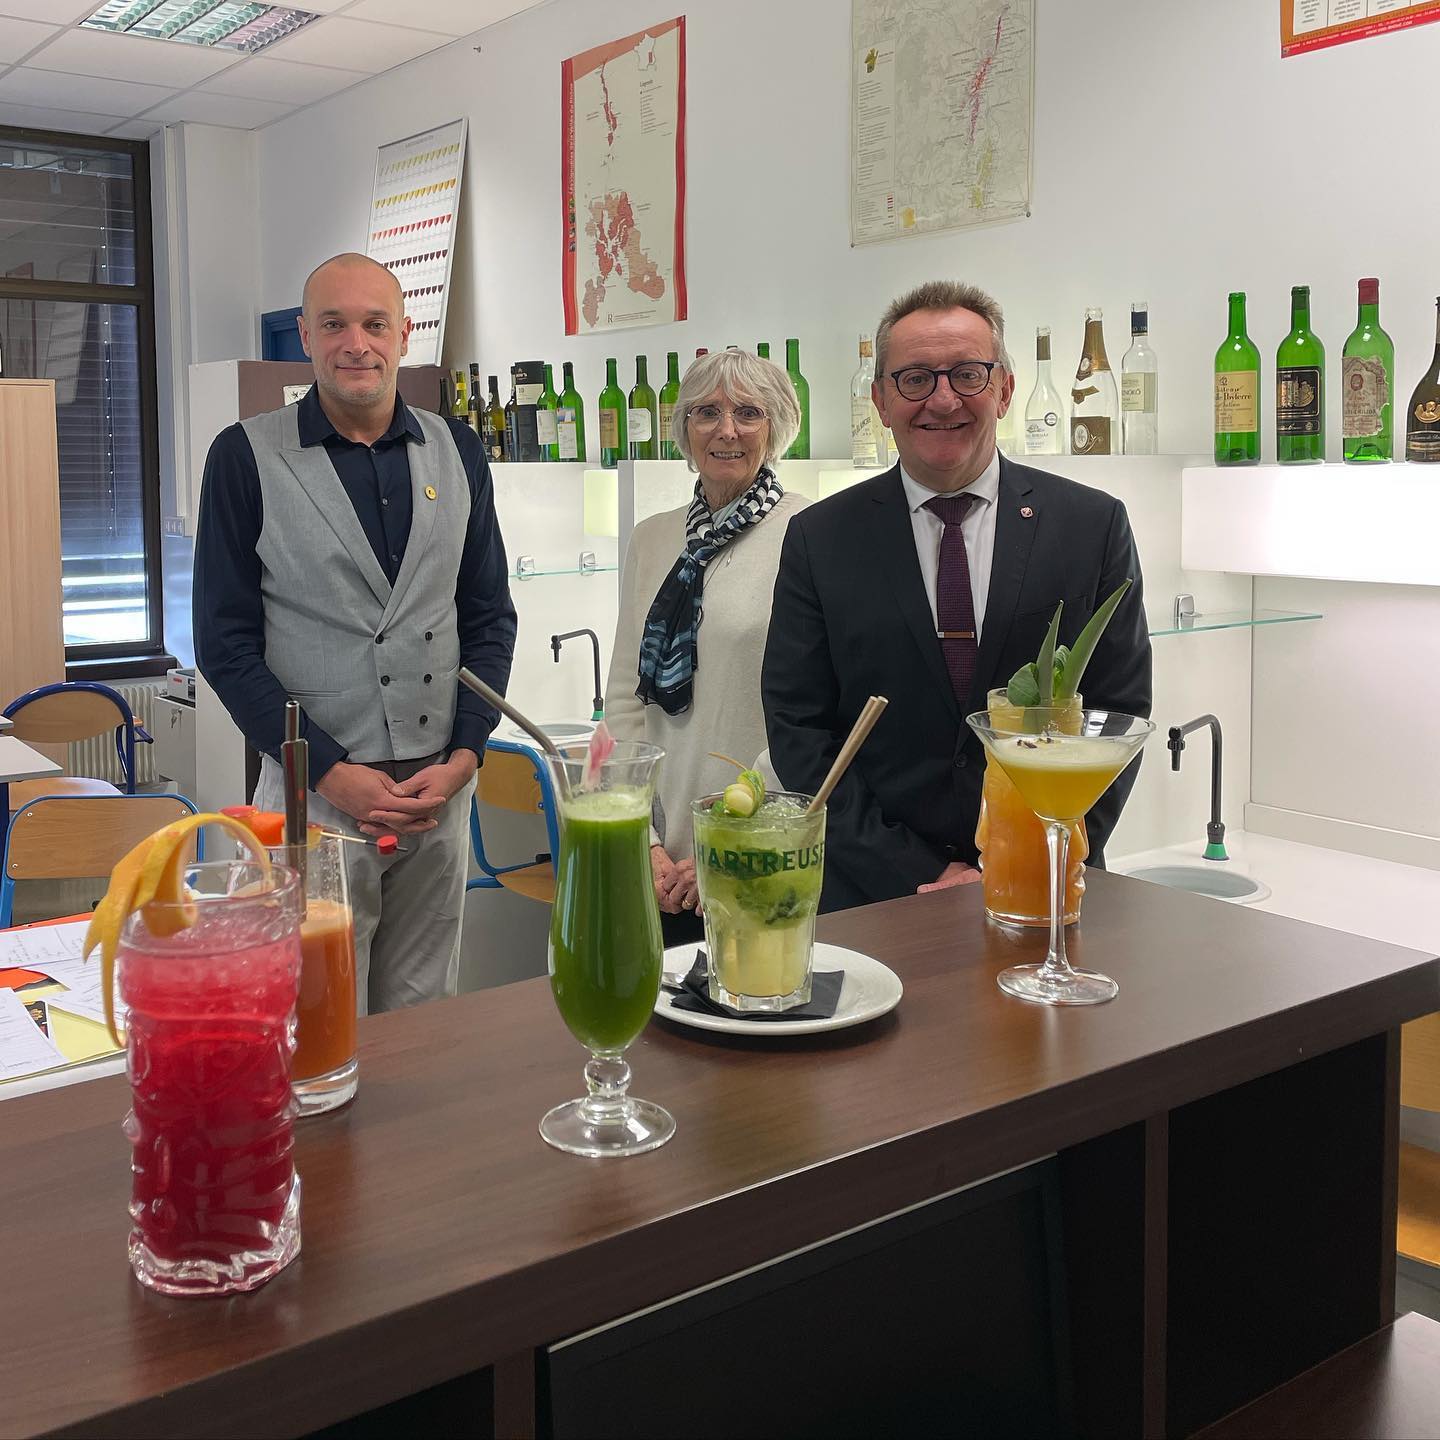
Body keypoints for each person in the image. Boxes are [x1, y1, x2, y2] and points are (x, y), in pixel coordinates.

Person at [762, 280, 1152, 911]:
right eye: (915, 378)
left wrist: (1030, 856)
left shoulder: (1092, 526)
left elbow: (1118, 712)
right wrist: (915, 872)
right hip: (875, 899)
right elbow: (798, 730)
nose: (942, 400)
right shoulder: (819, 539)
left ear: (1005, 389)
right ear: (880, 401)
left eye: (967, 374)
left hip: (1046, 892)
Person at [193, 252, 516, 1011]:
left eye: (375, 324)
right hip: (314, 798)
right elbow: (224, 643)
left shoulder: (458, 449)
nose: (356, 343)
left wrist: (467, 753)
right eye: (334, 324)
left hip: (437, 797)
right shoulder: (245, 456)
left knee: (426, 1020)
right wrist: (327, 769)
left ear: (405, 333)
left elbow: (488, 615)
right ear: (305, 336)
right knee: (318, 1018)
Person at [604, 349, 808, 944]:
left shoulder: (811, 534)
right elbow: (624, 700)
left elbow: (811, 718)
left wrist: (729, 836)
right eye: (707, 412)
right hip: (660, 863)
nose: (727, 430)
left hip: (760, 846)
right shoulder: (652, 538)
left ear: (776, 428)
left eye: (749, 412)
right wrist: (641, 838)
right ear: (684, 428)